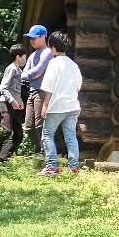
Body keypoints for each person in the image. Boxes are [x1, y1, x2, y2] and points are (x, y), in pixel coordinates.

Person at [38, 30, 83, 177]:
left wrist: (44, 106)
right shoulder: (73, 65)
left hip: (57, 106)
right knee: (70, 136)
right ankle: (74, 167)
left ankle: (51, 166)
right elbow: (78, 86)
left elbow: (49, 87)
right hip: (73, 106)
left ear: (52, 47)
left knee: (47, 134)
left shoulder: (54, 63)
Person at [0, 45, 27, 163]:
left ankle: (3, 158)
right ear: (18, 57)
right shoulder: (11, 68)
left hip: (15, 105)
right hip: (6, 103)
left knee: (18, 134)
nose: (25, 59)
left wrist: (20, 103)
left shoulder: (19, 71)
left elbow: (16, 90)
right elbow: (4, 87)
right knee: (7, 130)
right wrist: (12, 101)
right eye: (24, 57)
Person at [21, 25, 53, 154]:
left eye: (34, 38)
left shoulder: (48, 52)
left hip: (42, 92)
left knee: (40, 124)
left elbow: (38, 71)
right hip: (32, 92)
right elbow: (26, 73)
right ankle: (40, 150)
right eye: (30, 38)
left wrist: (30, 75)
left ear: (43, 37)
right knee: (29, 126)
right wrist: (31, 75)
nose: (32, 41)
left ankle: (46, 153)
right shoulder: (32, 55)